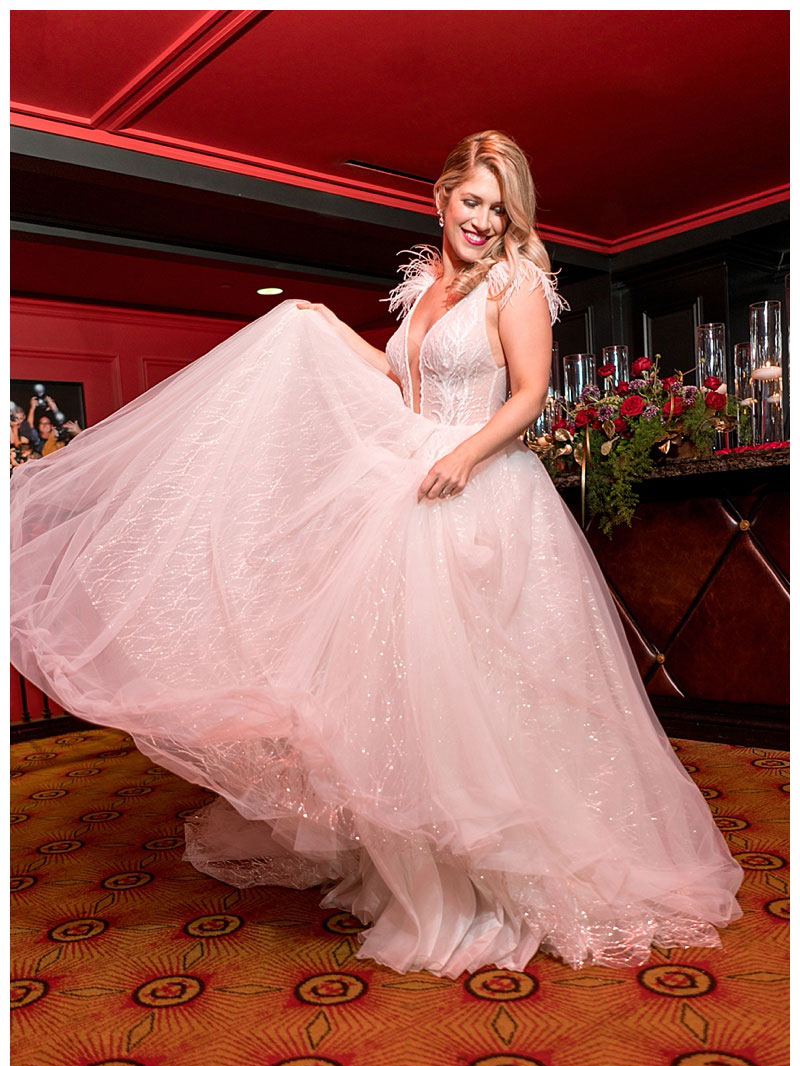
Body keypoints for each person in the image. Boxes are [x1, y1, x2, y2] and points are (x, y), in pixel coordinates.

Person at [9, 131, 742, 977]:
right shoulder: (425, 285)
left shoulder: (515, 283)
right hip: (409, 488)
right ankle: (425, 874)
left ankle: (500, 877)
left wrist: (466, 455)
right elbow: (402, 381)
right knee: (406, 690)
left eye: (499, 208)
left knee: (484, 692)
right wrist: (324, 330)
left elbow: (531, 394)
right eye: (472, 201)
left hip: (482, 494)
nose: (483, 220)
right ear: (441, 198)